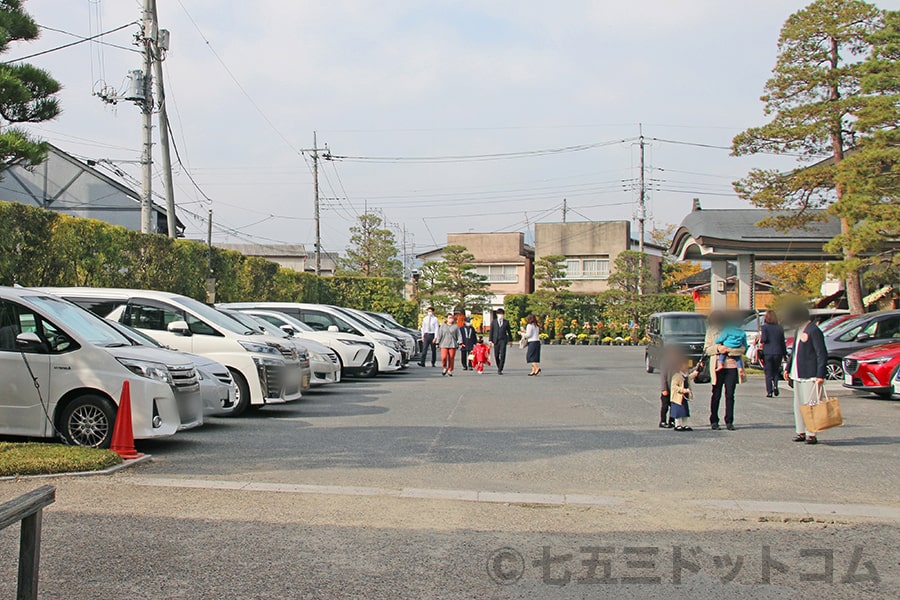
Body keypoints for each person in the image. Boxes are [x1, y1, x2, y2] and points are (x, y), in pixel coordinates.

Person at [783, 305, 828, 445]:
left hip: (811, 374)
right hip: (797, 373)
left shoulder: (814, 330)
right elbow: (794, 352)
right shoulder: (799, 330)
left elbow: (822, 354)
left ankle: (811, 433)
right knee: (798, 404)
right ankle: (800, 431)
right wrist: (788, 368)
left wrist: (820, 374)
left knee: (811, 404)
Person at [705, 311, 743, 431]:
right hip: (717, 366)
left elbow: (742, 349)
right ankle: (714, 420)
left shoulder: (734, 330)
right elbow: (707, 349)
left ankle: (729, 420)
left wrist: (729, 350)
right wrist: (718, 348)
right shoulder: (711, 332)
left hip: (731, 366)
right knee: (716, 394)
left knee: (730, 395)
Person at [760, 310, 787, 398]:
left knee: (768, 372)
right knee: (775, 371)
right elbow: (782, 341)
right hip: (778, 352)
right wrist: (784, 353)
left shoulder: (765, 327)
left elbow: (764, 339)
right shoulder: (779, 327)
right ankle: (775, 385)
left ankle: (769, 391)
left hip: (768, 352)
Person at [670, 354, 698, 431]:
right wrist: (684, 390)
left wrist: (696, 372)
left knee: (685, 411)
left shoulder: (686, 376)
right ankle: (678, 424)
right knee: (678, 412)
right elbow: (674, 387)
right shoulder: (677, 376)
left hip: (684, 397)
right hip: (678, 398)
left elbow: (690, 377)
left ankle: (685, 424)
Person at [658, 346, 683, 429]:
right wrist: (664, 389)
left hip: (674, 388)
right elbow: (663, 377)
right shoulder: (665, 362)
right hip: (667, 387)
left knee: (673, 405)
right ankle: (662, 421)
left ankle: (671, 420)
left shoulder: (678, 363)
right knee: (665, 406)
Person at [489, 308, 512, 374]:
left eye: (501, 314)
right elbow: (491, 332)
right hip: (496, 340)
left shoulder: (506, 322)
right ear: (497, 314)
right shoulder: (493, 322)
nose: (500, 315)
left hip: (503, 340)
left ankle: (500, 369)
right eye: (499, 314)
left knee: (502, 354)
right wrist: (490, 340)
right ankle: (499, 365)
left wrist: (510, 340)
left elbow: (509, 332)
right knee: (496, 355)